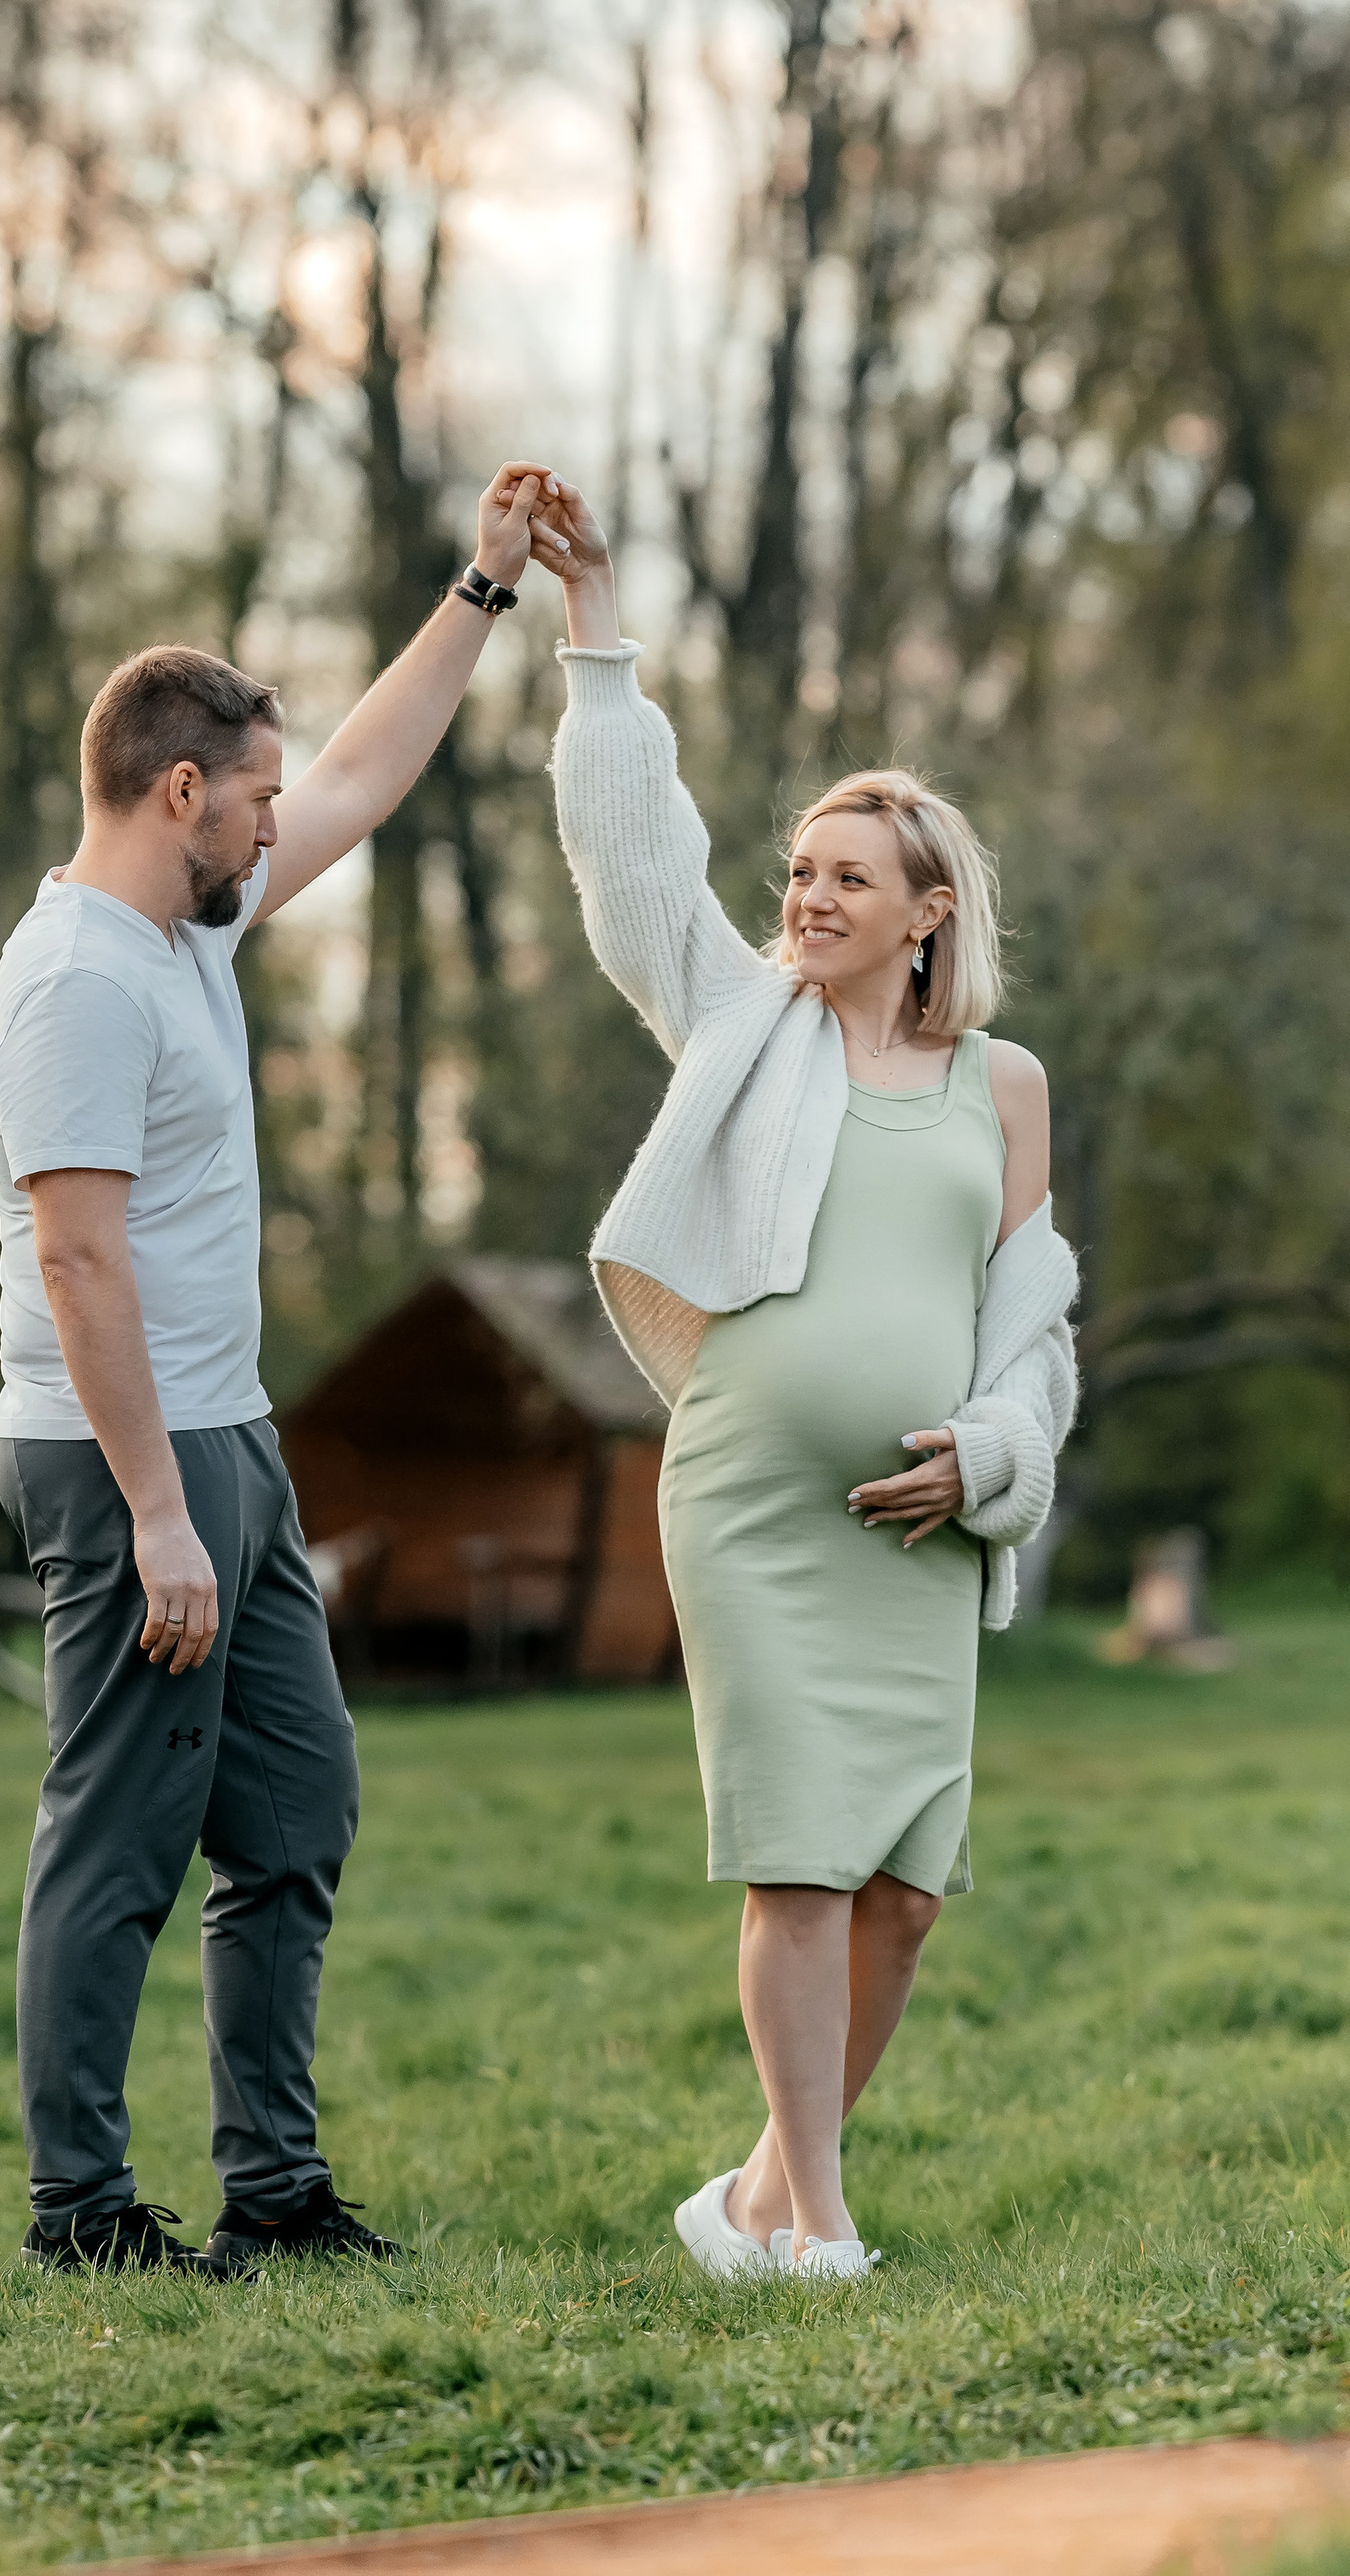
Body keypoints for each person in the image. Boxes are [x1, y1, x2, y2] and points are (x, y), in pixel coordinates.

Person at [0, 464, 560, 2277]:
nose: (271, 819)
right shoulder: (76, 978)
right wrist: (157, 1514)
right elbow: (76, 1258)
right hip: (114, 1457)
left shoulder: (193, 925)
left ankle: (276, 2193)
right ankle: (81, 2212)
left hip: (229, 1441)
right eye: (247, 794)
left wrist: (480, 589)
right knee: (118, 1839)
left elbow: (371, 774)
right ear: (176, 793)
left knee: (293, 1814)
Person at [512, 469, 1078, 2282]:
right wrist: (593, 632)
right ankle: (819, 2225)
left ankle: (756, 2194)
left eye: (847, 876)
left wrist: (987, 1458)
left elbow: (1033, 1321)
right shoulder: (739, 1026)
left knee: (903, 1891)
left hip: (917, 1533)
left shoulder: (1003, 1084)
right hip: (757, 1499)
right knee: (799, 1866)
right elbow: (630, 859)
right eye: (798, 874)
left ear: (926, 911)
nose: (807, 897)